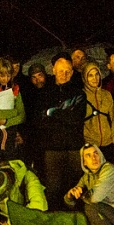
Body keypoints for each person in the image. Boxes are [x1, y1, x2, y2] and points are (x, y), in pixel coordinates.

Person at [31, 53, 87, 206]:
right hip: (52, 149)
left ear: (72, 72)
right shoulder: (43, 94)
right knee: (53, 188)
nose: (64, 74)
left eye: (68, 71)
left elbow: (76, 119)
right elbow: (39, 121)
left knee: (75, 187)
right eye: (61, 70)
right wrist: (65, 114)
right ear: (54, 70)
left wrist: (52, 113)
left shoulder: (79, 93)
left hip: (74, 148)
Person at [0, 159, 48, 225]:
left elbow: (38, 206)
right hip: (8, 222)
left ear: (7, 189)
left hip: (29, 223)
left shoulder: (30, 178)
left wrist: (11, 223)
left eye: (1, 196)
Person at [0, 56, 26, 161]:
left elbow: (21, 116)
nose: (5, 79)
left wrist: (6, 120)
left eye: (8, 75)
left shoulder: (15, 89)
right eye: (2, 75)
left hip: (10, 137)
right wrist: (13, 112)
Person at [81, 60, 114, 162]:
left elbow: (113, 118)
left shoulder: (107, 95)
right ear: (85, 77)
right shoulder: (81, 96)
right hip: (90, 144)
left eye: (97, 74)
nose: (95, 78)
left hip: (108, 143)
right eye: (90, 75)